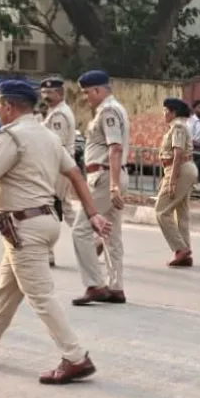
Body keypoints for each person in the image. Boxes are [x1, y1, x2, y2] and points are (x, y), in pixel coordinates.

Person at [0, 80, 110, 384]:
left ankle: (75, 356)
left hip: (23, 226)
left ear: (10, 106)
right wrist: (92, 214)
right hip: (40, 222)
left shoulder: (12, 137)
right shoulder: (48, 136)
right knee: (7, 287)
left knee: (40, 295)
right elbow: (75, 176)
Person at [71, 70, 130, 306]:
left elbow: (114, 148)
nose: (86, 98)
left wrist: (114, 185)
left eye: (87, 93)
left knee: (81, 230)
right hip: (110, 175)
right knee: (111, 233)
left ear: (97, 90)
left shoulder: (108, 111)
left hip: (105, 176)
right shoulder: (116, 108)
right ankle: (116, 287)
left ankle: (95, 284)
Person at [38, 77, 78, 268]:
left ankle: (48, 252)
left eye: (50, 93)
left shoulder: (59, 115)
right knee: (65, 208)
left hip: (57, 167)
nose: (45, 96)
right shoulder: (53, 112)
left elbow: (56, 144)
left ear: (60, 94)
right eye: (43, 92)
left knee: (49, 207)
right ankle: (91, 237)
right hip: (59, 166)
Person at [155, 97, 198, 267]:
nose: (164, 114)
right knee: (182, 212)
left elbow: (178, 154)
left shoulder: (178, 127)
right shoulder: (178, 126)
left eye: (166, 111)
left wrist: (172, 180)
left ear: (173, 112)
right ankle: (185, 251)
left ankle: (180, 249)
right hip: (182, 169)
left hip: (180, 170)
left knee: (161, 211)